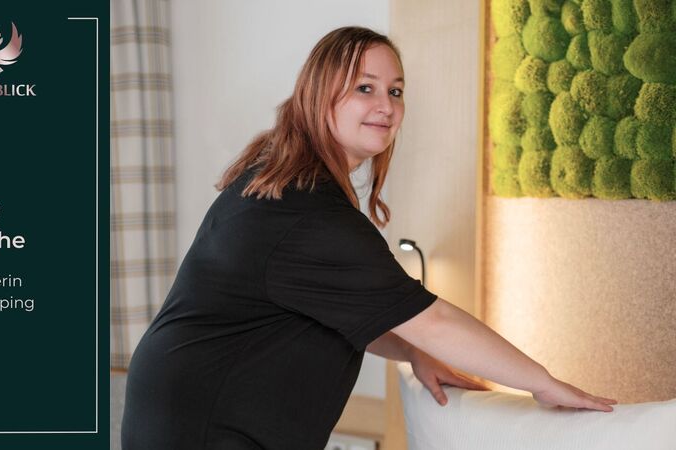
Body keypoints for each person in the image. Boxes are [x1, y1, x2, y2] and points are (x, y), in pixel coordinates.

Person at [121, 26, 616, 450]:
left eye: (395, 91)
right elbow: (435, 321)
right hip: (206, 425)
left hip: (183, 409)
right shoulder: (307, 212)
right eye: (365, 88)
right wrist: (543, 384)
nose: (386, 107)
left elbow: (348, 306)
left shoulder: (285, 181)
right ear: (321, 95)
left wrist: (412, 351)